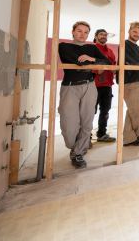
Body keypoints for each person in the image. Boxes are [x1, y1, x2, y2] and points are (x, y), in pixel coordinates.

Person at [58, 21, 111, 168]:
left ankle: (78, 153)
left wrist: (92, 58)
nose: (82, 34)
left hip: (89, 86)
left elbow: (107, 62)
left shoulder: (91, 48)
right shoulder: (64, 46)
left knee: (87, 122)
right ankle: (75, 146)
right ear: (73, 32)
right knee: (69, 126)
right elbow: (77, 62)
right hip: (70, 88)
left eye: (86, 32)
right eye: (79, 31)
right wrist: (90, 62)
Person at [117, 21, 139, 147]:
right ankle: (137, 135)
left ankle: (127, 138)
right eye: (135, 32)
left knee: (132, 111)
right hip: (130, 82)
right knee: (137, 110)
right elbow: (127, 61)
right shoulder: (124, 45)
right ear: (129, 31)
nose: (137, 34)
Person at [93, 29, 116, 142]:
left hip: (107, 85)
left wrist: (115, 71)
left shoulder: (110, 51)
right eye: (101, 34)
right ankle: (85, 137)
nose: (103, 36)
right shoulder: (91, 49)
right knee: (90, 112)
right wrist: (98, 70)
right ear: (96, 36)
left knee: (105, 111)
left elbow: (113, 66)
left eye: (105, 35)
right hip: (94, 85)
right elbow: (87, 66)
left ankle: (101, 134)